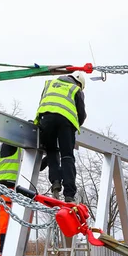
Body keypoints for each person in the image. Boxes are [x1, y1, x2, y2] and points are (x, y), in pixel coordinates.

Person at [35, 71, 87, 203]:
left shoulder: (50, 84)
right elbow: (81, 114)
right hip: (66, 122)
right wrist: (75, 126)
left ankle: (56, 182)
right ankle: (69, 194)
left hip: (46, 119)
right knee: (67, 156)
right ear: (79, 82)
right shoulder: (76, 89)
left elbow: (42, 102)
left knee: (52, 151)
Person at [0, 143, 21, 256]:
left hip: (7, 190)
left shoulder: (4, 148)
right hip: (8, 191)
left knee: (6, 226)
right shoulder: (12, 144)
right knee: (5, 226)